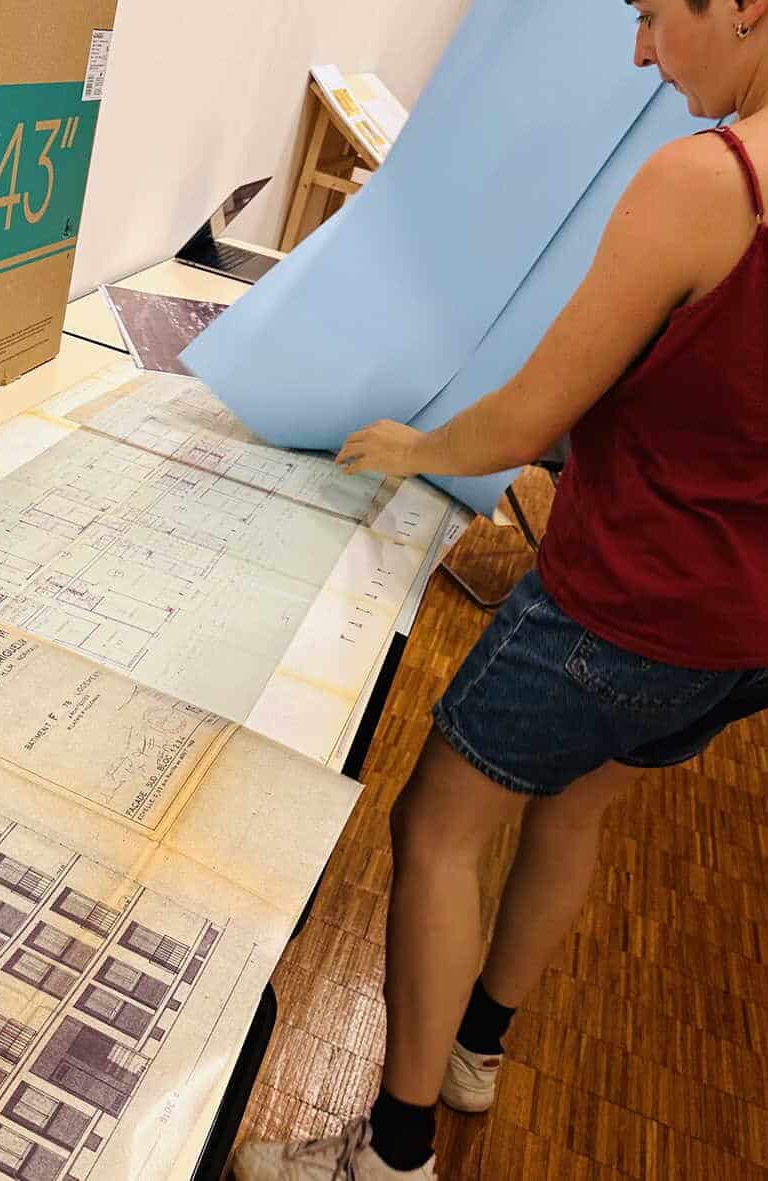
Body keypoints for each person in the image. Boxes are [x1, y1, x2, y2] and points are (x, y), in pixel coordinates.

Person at [232, 1, 768, 1177]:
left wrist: (411, 444)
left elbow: (526, 420)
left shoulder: (705, 179)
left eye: (650, 15)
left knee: (435, 828)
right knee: (571, 805)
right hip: (738, 632)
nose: (639, 52)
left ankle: (391, 1153)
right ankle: (476, 1051)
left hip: (623, 603)